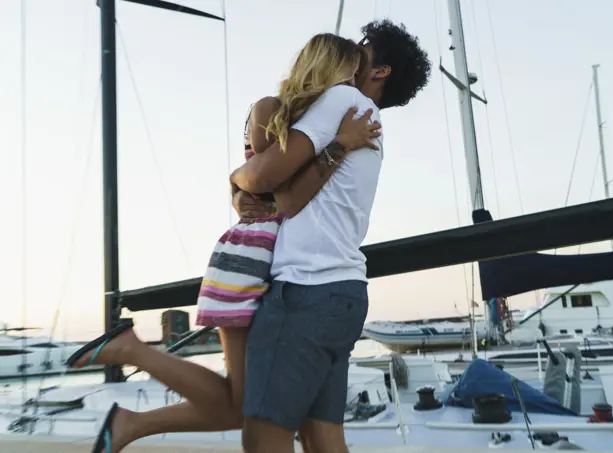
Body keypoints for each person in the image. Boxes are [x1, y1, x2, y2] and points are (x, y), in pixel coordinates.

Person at [63, 33, 381, 453]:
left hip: (268, 261)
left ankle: (130, 406)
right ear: (327, 67)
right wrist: (335, 146)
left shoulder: (310, 118)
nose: (354, 82)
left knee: (240, 404)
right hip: (249, 258)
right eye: (349, 72)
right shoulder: (272, 110)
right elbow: (272, 187)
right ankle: (132, 362)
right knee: (245, 407)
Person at [230, 19, 431, 453]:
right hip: (342, 293)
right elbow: (286, 190)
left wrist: (235, 178)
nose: (351, 51)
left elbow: (266, 179)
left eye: (362, 48)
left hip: (305, 290)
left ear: (378, 72)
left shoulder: (344, 100)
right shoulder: (369, 119)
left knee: (263, 437)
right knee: (323, 437)